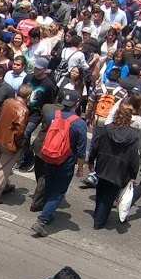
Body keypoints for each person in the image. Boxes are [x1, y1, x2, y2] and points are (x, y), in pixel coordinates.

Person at [31, 90, 89, 237]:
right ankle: (42, 220)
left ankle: (48, 213)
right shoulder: (79, 124)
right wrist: (80, 168)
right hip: (66, 160)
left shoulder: (53, 115)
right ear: (77, 104)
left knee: (49, 185)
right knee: (58, 191)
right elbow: (81, 151)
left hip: (49, 155)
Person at [88, 101, 141, 230]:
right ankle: (99, 220)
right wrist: (133, 173)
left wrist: (91, 161)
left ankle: (98, 215)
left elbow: (96, 146)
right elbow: (134, 157)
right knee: (110, 195)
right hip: (120, 169)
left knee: (100, 191)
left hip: (103, 164)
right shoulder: (133, 135)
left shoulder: (107, 129)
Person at [0, 85, 32, 204]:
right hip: (10, 143)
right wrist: (20, 143)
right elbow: (19, 131)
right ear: (28, 96)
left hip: (0, 136)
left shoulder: (8, 101)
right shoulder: (23, 110)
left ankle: (5, 186)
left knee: (1, 164)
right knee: (3, 169)